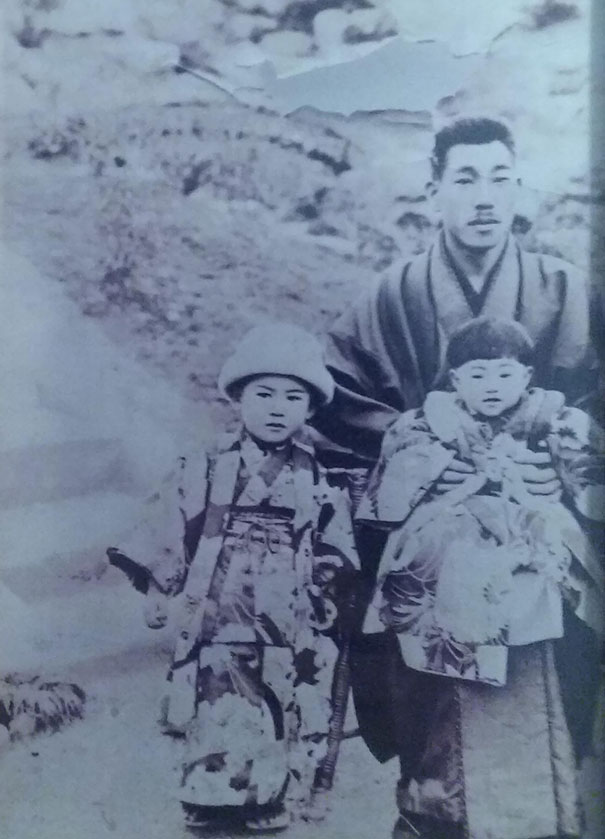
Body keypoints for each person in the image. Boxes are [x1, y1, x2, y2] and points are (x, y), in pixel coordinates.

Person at [309, 116, 601, 838]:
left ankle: (550, 812)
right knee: (422, 678)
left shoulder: (565, 287)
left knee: (552, 673)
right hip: (432, 536)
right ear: (434, 190)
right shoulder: (393, 292)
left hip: (540, 519)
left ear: (518, 189)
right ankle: (431, 813)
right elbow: (340, 395)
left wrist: (564, 446)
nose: (482, 197)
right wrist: (422, 445)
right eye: (464, 179)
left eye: (499, 178)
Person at [356, 316, 603, 839]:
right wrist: (438, 469)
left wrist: (557, 479)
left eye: (504, 374)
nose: (492, 387)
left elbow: (591, 493)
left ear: (528, 377)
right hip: (441, 582)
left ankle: (535, 815)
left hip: (530, 577)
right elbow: (382, 502)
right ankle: (438, 813)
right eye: (477, 374)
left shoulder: (555, 421)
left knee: (532, 679)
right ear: (454, 379)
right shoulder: (420, 425)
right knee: (436, 691)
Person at [107, 324, 359, 833]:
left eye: (293, 398)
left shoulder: (320, 477)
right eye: (263, 394)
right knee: (212, 705)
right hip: (216, 616)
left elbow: (335, 549)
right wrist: (158, 587)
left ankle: (269, 801)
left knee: (279, 708)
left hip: (289, 625)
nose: (276, 408)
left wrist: (327, 591)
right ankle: (206, 799)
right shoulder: (202, 465)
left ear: (309, 410)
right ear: (238, 398)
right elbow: (169, 525)